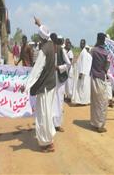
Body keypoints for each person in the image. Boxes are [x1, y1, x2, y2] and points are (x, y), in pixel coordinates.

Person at [22, 17, 56, 152]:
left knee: (44, 114)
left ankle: (47, 143)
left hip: (45, 88)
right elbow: (46, 32)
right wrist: (39, 24)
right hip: (50, 85)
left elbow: (36, 71)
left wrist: (26, 85)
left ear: (40, 38)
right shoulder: (51, 45)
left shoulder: (43, 51)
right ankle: (49, 139)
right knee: (47, 113)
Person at [90, 33, 110, 133]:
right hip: (101, 78)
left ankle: (95, 122)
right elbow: (107, 66)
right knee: (102, 102)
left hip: (93, 77)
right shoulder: (106, 53)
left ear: (97, 39)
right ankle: (100, 125)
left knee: (95, 101)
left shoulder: (93, 50)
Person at [51, 34, 71, 132]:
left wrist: (59, 68)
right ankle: (51, 123)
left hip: (59, 80)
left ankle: (57, 124)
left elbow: (68, 64)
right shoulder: (50, 50)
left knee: (59, 102)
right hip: (51, 80)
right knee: (52, 102)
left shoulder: (61, 50)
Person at [72, 39, 92, 106]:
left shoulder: (84, 53)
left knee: (81, 88)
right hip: (83, 73)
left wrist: (81, 73)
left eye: (82, 43)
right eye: (81, 43)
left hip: (82, 73)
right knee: (82, 88)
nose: (81, 44)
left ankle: (82, 102)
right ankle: (82, 101)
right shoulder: (83, 52)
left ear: (84, 44)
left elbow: (83, 63)